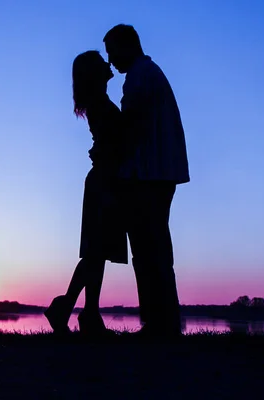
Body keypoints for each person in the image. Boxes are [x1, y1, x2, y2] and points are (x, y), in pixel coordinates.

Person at [104, 24, 190, 337]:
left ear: (127, 46)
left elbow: (129, 127)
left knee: (148, 249)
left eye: (113, 52)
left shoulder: (139, 77)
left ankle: (159, 323)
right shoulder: (149, 73)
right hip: (158, 172)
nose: (111, 61)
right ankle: (162, 321)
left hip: (149, 174)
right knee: (154, 248)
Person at [44, 50, 129, 336]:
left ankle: (87, 312)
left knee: (98, 253)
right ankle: (70, 308)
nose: (109, 64)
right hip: (104, 181)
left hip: (106, 180)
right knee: (96, 253)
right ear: (94, 72)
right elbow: (112, 143)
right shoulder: (99, 103)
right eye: (101, 62)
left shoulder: (100, 102)